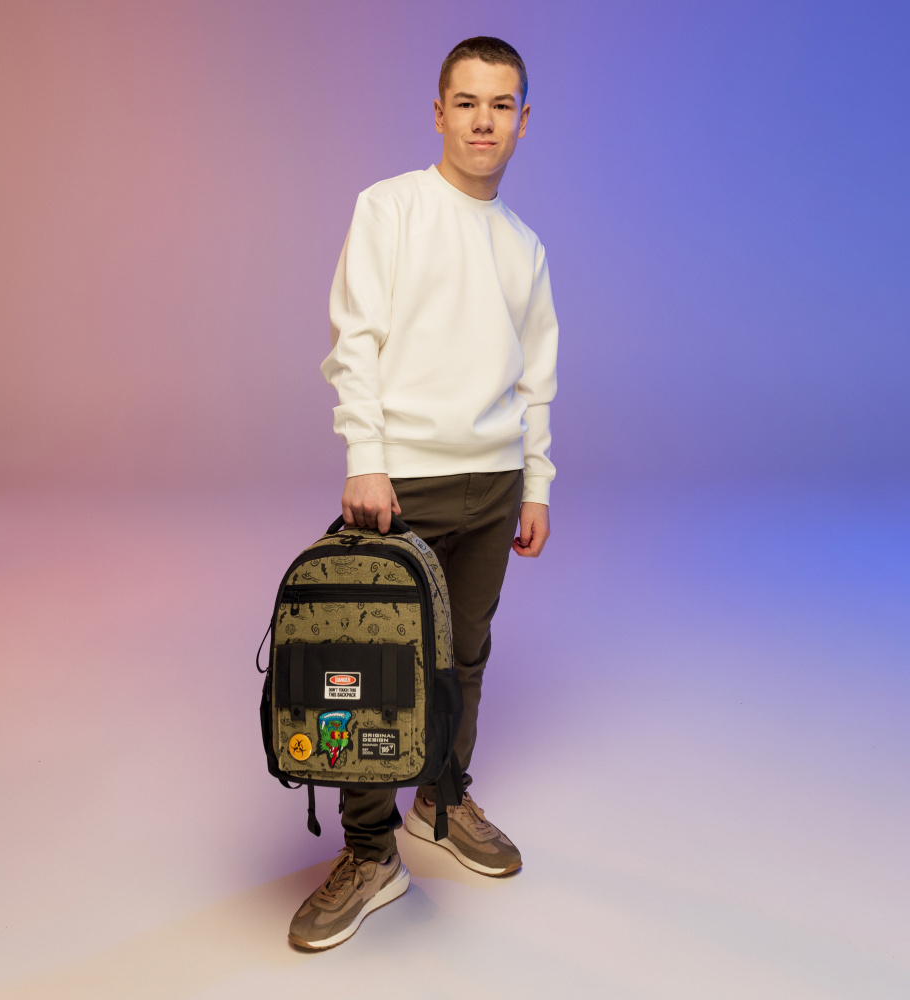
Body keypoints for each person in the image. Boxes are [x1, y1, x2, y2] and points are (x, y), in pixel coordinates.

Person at [288, 36, 558, 950]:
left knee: (463, 655)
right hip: (401, 480)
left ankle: (440, 800)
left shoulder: (524, 245)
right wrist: (365, 459)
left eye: (502, 104)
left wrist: (535, 483)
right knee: (372, 664)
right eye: (467, 102)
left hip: (496, 482)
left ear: (524, 120)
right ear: (439, 112)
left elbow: (536, 379)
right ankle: (371, 853)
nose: (484, 121)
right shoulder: (391, 206)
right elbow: (355, 340)